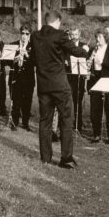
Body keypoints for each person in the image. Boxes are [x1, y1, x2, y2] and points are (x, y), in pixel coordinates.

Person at [30, 11, 87, 169]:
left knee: (45, 121)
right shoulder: (60, 35)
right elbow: (75, 51)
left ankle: (46, 158)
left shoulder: (35, 36)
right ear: (57, 22)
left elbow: (33, 59)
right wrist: (87, 50)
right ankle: (66, 158)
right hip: (60, 86)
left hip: (43, 85)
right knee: (66, 119)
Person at [87, 30, 109, 144]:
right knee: (95, 109)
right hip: (95, 79)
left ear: (106, 37)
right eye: (96, 37)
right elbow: (89, 64)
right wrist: (89, 62)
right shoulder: (93, 49)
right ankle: (96, 134)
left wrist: (102, 62)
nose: (97, 39)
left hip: (108, 79)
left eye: (100, 37)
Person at [9, 25, 35, 131]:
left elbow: (36, 62)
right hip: (16, 76)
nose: (24, 36)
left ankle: (25, 123)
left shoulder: (33, 46)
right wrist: (14, 60)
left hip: (28, 78)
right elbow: (7, 61)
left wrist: (27, 55)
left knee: (27, 101)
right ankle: (14, 123)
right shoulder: (14, 45)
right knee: (16, 101)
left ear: (30, 35)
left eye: (27, 34)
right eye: (22, 33)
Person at [65, 26, 89, 132]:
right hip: (69, 76)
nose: (74, 36)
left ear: (79, 34)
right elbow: (63, 58)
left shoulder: (85, 46)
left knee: (78, 101)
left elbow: (87, 60)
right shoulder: (67, 45)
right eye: (72, 34)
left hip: (79, 77)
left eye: (76, 34)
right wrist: (66, 62)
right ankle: (67, 123)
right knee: (68, 101)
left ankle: (78, 125)